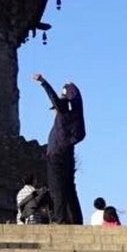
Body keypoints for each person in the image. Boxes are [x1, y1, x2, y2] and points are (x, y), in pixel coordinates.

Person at [30, 73, 84, 225]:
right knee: (69, 189)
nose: (53, 111)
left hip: (56, 155)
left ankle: (60, 220)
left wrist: (43, 82)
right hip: (67, 155)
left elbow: (54, 98)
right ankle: (76, 220)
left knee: (57, 188)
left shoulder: (64, 113)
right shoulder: (75, 114)